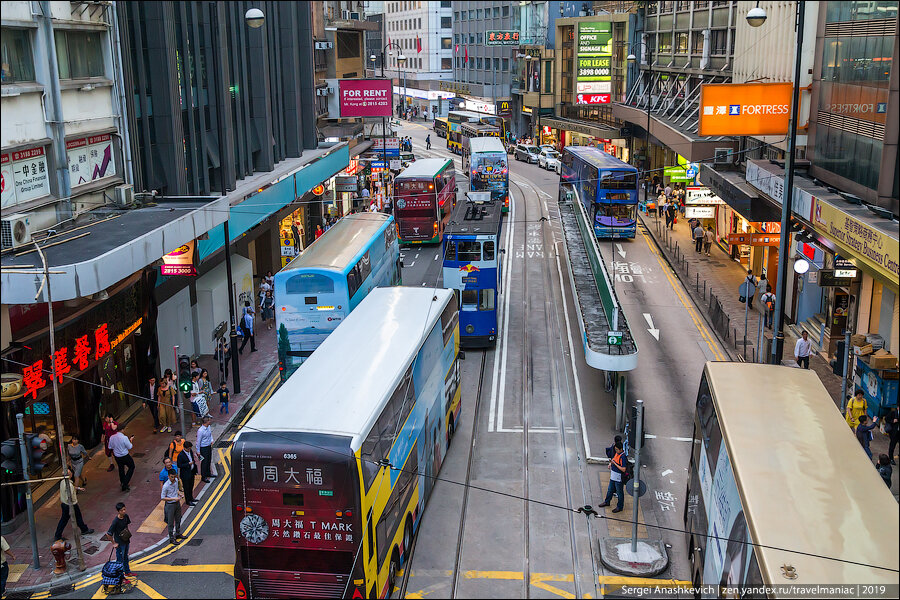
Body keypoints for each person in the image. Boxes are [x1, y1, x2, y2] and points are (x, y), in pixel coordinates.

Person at [54, 467, 94, 541]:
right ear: (69, 475)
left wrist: (78, 488)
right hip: (71, 504)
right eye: (71, 473)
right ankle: (84, 530)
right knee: (76, 517)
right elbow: (71, 494)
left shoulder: (63, 482)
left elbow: (71, 487)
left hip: (64, 504)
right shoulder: (68, 484)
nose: (72, 473)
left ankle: (58, 534)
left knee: (64, 520)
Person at [106, 503, 134, 577]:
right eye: (122, 510)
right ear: (118, 511)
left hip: (126, 541)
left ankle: (127, 572)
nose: (124, 511)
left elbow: (126, 525)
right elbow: (108, 534)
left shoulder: (126, 516)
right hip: (120, 543)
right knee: (119, 561)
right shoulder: (115, 521)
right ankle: (120, 577)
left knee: (125, 557)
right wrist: (114, 543)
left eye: (124, 509)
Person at [597, 441, 626, 513]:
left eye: (617, 449)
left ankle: (620, 506)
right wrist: (611, 464)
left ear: (621, 449)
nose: (616, 451)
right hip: (613, 476)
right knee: (610, 490)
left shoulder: (623, 457)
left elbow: (623, 469)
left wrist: (615, 464)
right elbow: (614, 460)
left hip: (618, 478)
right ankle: (607, 501)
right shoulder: (617, 454)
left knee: (619, 493)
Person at [108, 425, 135, 492]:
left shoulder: (112, 437)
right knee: (132, 466)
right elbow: (130, 447)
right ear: (122, 429)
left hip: (117, 456)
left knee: (121, 468)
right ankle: (125, 483)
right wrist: (131, 440)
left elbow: (110, 447)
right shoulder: (124, 438)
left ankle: (122, 481)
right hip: (125, 455)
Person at [161, 469, 185, 545]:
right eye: (171, 477)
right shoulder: (166, 486)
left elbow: (176, 490)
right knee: (170, 522)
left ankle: (178, 534)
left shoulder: (176, 481)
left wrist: (180, 494)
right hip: (170, 505)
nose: (173, 478)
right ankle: (171, 538)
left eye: (174, 477)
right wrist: (174, 498)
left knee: (178, 519)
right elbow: (162, 497)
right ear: (168, 476)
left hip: (177, 503)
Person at [177, 441, 198, 506]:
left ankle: (191, 498)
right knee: (186, 488)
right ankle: (188, 500)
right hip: (185, 474)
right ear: (184, 448)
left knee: (191, 486)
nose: (189, 450)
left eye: (190, 448)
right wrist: (188, 464)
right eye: (188, 449)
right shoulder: (181, 455)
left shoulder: (190, 452)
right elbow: (179, 465)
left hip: (191, 472)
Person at [197, 415, 214, 483]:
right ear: (206, 422)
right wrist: (198, 451)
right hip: (203, 448)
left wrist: (212, 440)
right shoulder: (200, 430)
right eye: (209, 420)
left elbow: (210, 435)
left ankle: (208, 473)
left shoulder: (208, 427)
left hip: (208, 446)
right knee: (204, 462)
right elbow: (198, 441)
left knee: (209, 459)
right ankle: (203, 476)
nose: (210, 421)